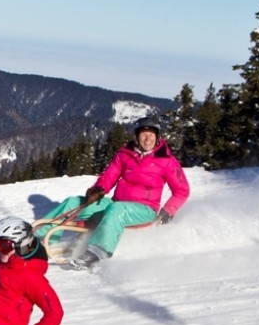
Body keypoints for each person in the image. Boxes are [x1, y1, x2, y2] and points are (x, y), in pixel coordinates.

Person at [39, 115, 190, 271]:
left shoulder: (167, 161)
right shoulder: (125, 154)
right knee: (74, 202)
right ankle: (42, 239)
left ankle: (97, 252)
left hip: (144, 209)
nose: (147, 139)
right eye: (144, 135)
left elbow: (182, 190)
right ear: (137, 136)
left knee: (117, 210)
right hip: (116, 203)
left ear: (157, 137)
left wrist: (169, 210)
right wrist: (98, 189)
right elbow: (109, 175)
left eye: (151, 135)